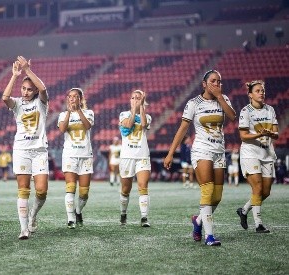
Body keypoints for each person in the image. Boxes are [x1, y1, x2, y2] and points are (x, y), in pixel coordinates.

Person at [164, 70, 236, 246]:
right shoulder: (193, 103)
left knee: (217, 197)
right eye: (213, 81)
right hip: (201, 150)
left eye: (219, 81)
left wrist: (219, 97)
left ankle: (198, 222)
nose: (216, 84)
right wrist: (170, 152)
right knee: (207, 190)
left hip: (219, 150)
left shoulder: (223, 99)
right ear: (204, 84)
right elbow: (182, 129)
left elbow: (233, 118)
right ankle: (209, 236)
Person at [2, 56, 49, 240]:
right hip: (21, 150)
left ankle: (33, 215)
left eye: (30, 89)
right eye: (23, 88)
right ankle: (23, 229)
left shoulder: (42, 103)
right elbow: (5, 98)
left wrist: (28, 70)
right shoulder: (17, 104)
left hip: (39, 151)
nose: (26, 92)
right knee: (23, 189)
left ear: (35, 90)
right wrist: (15, 75)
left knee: (42, 190)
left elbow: (44, 89)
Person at [236, 80, 278, 233]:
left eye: (263, 91)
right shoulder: (245, 111)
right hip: (250, 153)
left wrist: (270, 134)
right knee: (258, 187)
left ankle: (244, 210)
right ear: (250, 95)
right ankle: (258, 224)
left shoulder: (270, 110)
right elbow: (243, 136)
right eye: (258, 91)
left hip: (267, 153)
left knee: (265, 192)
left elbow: (277, 134)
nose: (261, 93)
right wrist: (260, 133)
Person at [57, 87, 94, 229]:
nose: (72, 98)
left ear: (80, 99)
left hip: (85, 155)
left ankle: (78, 211)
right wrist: (69, 112)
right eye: (70, 96)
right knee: (70, 187)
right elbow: (62, 129)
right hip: (70, 155)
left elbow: (87, 125)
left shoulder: (88, 113)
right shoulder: (63, 115)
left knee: (84, 193)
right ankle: (70, 218)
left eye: (75, 96)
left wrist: (78, 110)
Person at [118, 89, 152, 228]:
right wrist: (133, 111)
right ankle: (123, 213)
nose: (135, 100)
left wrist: (141, 108)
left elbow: (144, 124)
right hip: (127, 157)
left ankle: (144, 217)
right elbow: (128, 125)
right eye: (133, 98)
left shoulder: (147, 116)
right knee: (126, 189)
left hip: (142, 156)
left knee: (143, 186)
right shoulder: (123, 115)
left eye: (138, 98)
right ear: (130, 100)